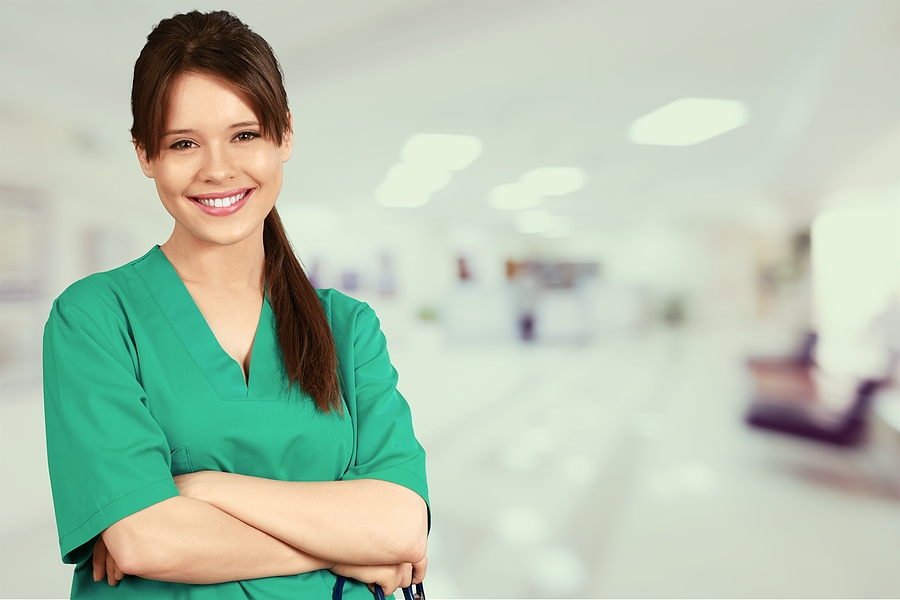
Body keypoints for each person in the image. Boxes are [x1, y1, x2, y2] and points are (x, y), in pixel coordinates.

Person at [42, 10, 429, 599]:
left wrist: (200, 490)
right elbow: (147, 541)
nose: (218, 169)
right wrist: (347, 545)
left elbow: (401, 525)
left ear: (285, 136)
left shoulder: (349, 329)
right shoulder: (95, 318)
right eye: (183, 143)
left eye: (244, 135)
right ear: (145, 155)